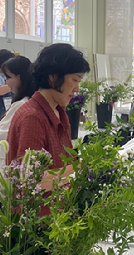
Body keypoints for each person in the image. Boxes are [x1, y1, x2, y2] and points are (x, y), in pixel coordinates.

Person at [7, 43, 90, 176]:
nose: (77, 89)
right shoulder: (32, 118)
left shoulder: (59, 113)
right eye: (74, 80)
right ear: (53, 77)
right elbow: (31, 180)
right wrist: (82, 167)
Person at [0, 56, 37, 167]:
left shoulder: (22, 104)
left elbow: (2, 134)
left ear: (19, 77)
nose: (6, 81)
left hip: (9, 163)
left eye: (8, 77)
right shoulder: (26, 100)